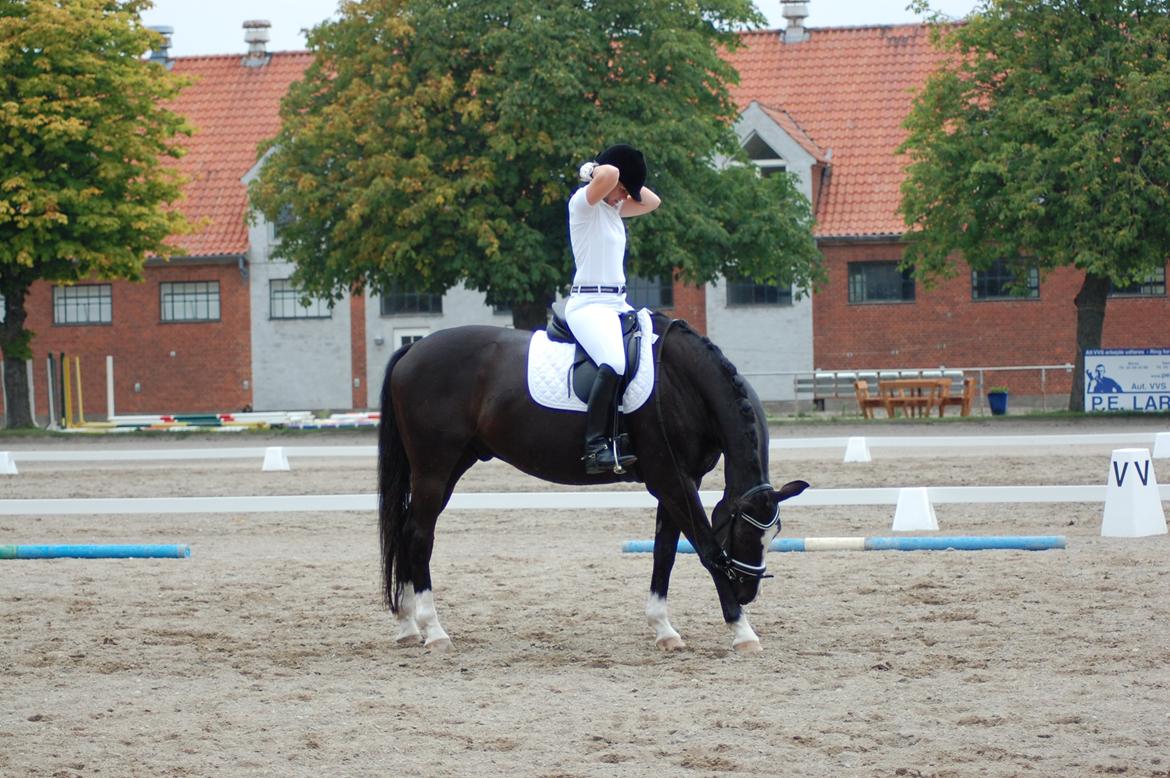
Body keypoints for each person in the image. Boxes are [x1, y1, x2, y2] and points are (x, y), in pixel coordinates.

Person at [566, 144, 661, 474]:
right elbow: (609, 174)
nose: (625, 197)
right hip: (588, 305)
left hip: (617, 303)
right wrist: (592, 170)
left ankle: (626, 432)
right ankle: (594, 447)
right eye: (622, 190)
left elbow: (652, 201)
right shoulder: (583, 204)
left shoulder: (613, 210)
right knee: (614, 361)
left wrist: (626, 185)